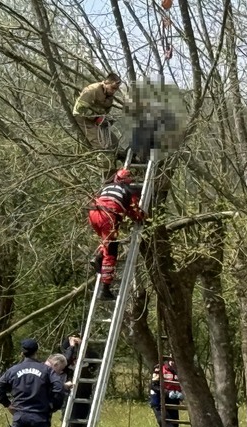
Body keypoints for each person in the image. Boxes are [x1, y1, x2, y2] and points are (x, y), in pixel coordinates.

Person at [88, 168, 145, 300]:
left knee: (106, 241)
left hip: (93, 214)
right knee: (111, 251)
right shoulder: (129, 191)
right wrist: (142, 217)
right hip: (107, 216)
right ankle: (105, 289)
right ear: (128, 181)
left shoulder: (107, 187)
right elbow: (134, 212)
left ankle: (97, 257)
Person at [59, 333, 99, 427]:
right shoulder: (64, 357)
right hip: (68, 396)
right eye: (73, 338)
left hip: (84, 394)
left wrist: (83, 344)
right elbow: (64, 361)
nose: (76, 341)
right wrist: (70, 346)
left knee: (83, 424)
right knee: (70, 424)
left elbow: (95, 360)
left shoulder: (89, 355)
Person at [73, 73, 123, 153]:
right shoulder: (92, 90)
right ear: (106, 83)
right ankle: (103, 162)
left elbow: (105, 111)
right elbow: (80, 109)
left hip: (97, 120)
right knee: (102, 146)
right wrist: (96, 118)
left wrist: (107, 119)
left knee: (114, 142)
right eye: (112, 88)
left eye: (116, 89)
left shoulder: (110, 95)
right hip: (83, 118)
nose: (114, 91)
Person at [150, 355, 183, 427]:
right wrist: (168, 393)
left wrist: (182, 394)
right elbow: (154, 386)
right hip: (159, 402)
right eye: (171, 360)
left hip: (173, 402)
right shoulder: (159, 369)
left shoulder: (180, 371)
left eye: (175, 361)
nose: (173, 363)